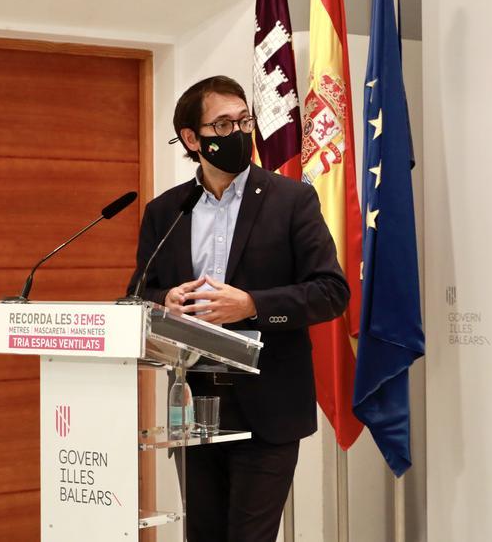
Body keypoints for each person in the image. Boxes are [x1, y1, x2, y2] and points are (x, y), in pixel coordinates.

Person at [128, 75, 349, 542]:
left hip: (267, 407)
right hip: (193, 406)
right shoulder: (166, 212)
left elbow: (330, 291)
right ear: (192, 139)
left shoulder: (291, 200)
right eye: (223, 125)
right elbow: (138, 296)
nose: (239, 133)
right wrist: (163, 302)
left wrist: (250, 304)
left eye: (244, 120)